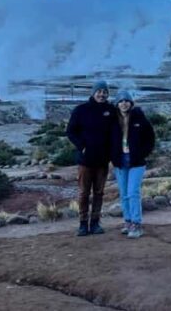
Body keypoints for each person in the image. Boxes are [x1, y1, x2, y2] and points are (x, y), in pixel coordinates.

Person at [66, 80, 115, 236]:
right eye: (99, 91)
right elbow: (71, 131)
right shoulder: (81, 110)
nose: (102, 94)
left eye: (105, 92)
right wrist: (82, 146)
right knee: (84, 193)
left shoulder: (110, 110)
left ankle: (95, 223)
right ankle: (82, 224)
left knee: (99, 193)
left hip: (102, 160)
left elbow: (117, 131)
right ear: (93, 93)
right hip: (86, 160)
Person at [110, 90, 155, 239]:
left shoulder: (139, 118)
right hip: (120, 161)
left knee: (133, 193)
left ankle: (137, 223)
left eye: (126, 100)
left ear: (131, 103)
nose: (124, 103)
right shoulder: (113, 120)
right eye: (121, 101)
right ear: (117, 103)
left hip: (136, 161)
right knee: (123, 194)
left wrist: (143, 153)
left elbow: (150, 138)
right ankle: (127, 221)